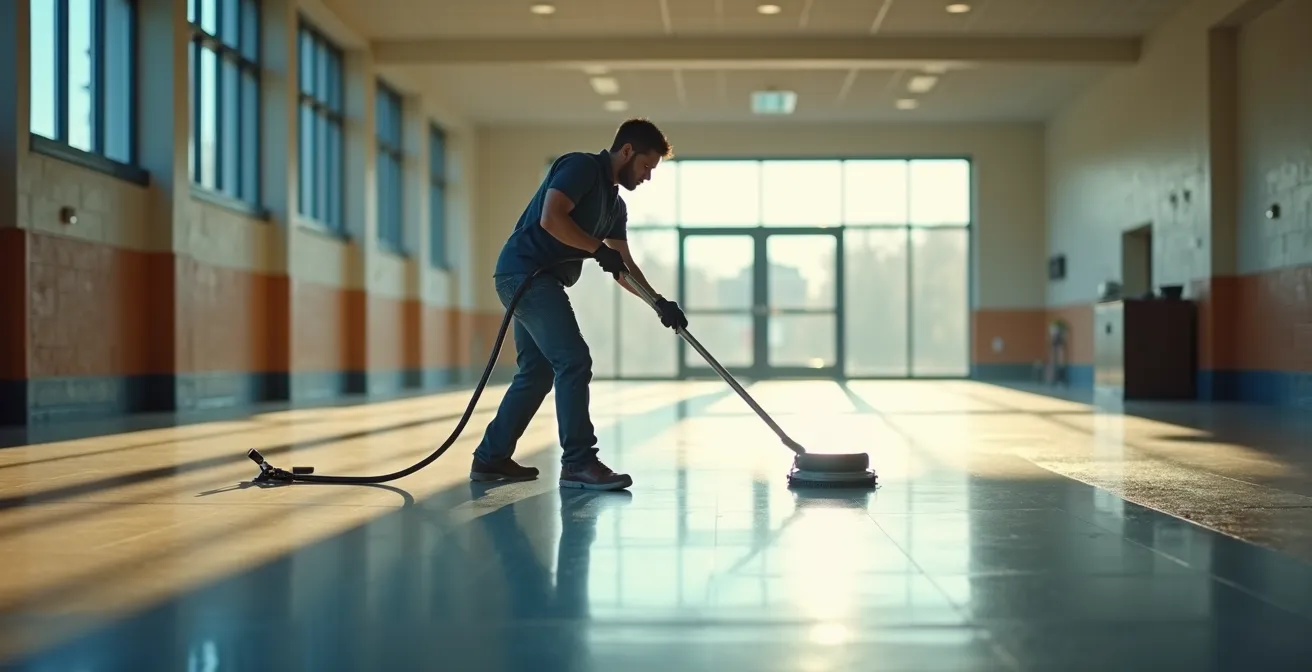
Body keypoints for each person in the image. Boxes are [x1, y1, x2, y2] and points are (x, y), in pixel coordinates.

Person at [469, 118, 688, 491]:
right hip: (524, 275)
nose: (648, 177)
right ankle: (578, 462)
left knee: (537, 373)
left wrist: (658, 303)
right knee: (573, 360)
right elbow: (551, 218)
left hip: (540, 279)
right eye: (646, 167)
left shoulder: (615, 207)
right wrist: (597, 249)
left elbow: (623, 268)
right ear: (627, 151)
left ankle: (491, 458)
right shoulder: (581, 167)